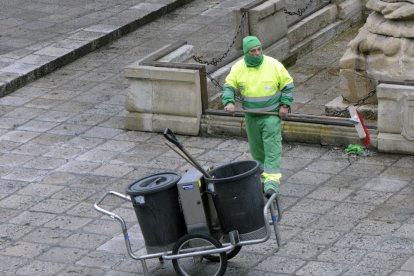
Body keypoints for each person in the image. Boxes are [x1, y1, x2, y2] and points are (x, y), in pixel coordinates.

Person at [222, 35, 295, 197]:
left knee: (272, 149)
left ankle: (272, 183)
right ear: (246, 53)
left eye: (259, 49)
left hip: (271, 116)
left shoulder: (274, 65)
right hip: (251, 117)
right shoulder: (238, 68)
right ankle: (262, 178)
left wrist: (284, 105)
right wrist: (229, 102)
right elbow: (229, 86)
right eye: (253, 50)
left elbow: (288, 86)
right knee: (257, 150)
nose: (257, 53)